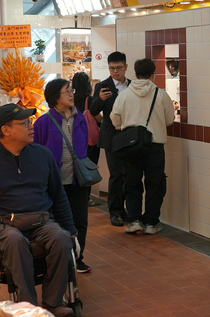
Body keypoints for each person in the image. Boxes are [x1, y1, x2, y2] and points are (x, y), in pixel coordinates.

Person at [0, 104, 78, 317]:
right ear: (6, 130)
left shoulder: (43, 155)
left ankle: (53, 303)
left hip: (41, 221)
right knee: (14, 241)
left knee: (61, 238)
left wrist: (72, 231)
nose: (31, 126)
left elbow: (59, 197)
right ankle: (28, 307)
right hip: (3, 225)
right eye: (24, 123)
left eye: (30, 122)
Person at [33, 79, 92, 274]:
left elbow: (85, 144)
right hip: (54, 182)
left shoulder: (80, 118)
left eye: (71, 90)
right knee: (56, 221)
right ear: (54, 97)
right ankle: (59, 259)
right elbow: (37, 151)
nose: (71, 94)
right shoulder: (43, 122)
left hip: (78, 180)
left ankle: (77, 258)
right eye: (66, 91)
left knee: (79, 220)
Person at [110, 58, 174, 235]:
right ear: (153, 74)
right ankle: (152, 223)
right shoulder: (161, 94)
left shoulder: (124, 95)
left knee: (132, 183)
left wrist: (126, 126)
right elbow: (169, 119)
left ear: (136, 74)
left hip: (131, 146)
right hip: (155, 146)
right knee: (155, 185)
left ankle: (134, 221)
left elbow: (115, 119)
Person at [89, 52, 129, 226]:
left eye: (118, 68)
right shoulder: (103, 86)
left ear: (125, 67)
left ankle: (126, 209)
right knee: (116, 175)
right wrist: (99, 99)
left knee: (128, 175)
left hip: (129, 136)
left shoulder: (131, 85)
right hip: (111, 136)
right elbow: (93, 110)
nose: (115, 71)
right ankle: (115, 212)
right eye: (112, 68)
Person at [71, 71, 101, 166]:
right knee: (91, 165)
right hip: (89, 138)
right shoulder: (89, 99)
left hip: (74, 136)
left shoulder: (70, 99)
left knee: (77, 166)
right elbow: (98, 118)